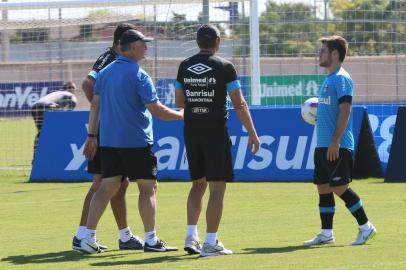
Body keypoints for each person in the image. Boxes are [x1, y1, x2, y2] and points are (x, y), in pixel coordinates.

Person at [79, 29, 183, 254]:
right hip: (136, 141)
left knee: (106, 188)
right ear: (133, 47)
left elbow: (95, 105)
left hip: (109, 141)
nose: (146, 47)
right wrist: (183, 115)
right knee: (148, 188)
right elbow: (157, 110)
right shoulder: (139, 75)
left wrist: (92, 136)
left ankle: (87, 237)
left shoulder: (105, 72)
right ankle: (151, 240)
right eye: (143, 44)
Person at [175, 24, 260, 257]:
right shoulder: (225, 67)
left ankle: (191, 236)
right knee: (217, 188)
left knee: (197, 185)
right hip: (215, 133)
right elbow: (239, 103)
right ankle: (210, 242)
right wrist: (252, 133)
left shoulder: (184, 66)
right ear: (218, 42)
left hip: (192, 132)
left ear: (197, 42)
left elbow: (179, 102)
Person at [72, 23, 144, 252]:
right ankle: (82, 234)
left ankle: (124, 236)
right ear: (125, 41)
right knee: (103, 183)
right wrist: (102, 110)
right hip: (108, 130)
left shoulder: (113, 58)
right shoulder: (110, 58)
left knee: (118, 184)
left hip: (113, 130)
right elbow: (87, 84)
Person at [304, 35, 377, 246]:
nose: (319, 54)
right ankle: (326, 233)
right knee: (323, 187)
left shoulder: (342, 78)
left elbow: (346, 109)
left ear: (335, 54)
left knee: (339, 187)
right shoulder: (328, 79)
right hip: (323, 144)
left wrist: (335, 141)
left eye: (323, 51)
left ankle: (366, 227)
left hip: (338, 145)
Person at [31, 81, 77, 162]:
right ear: (72, 90)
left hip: (35, 106)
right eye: (74, 89)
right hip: (49, 106)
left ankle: (36, 158)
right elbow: (69, 115)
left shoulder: (58, 93)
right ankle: (55, 157)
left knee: (41, 133)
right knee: (55, 133)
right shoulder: (71, 96)